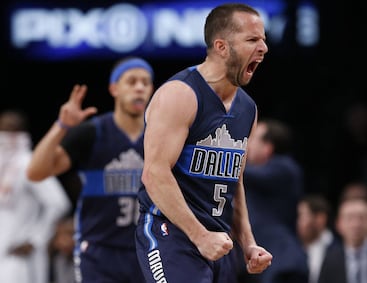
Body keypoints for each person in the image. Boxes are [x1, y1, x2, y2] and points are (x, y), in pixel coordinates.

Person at [135, 3, 272, 283]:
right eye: (252, 40)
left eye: (264, 39)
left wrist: (248, 242)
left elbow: (236, 182)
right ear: (221, 47)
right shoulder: (180, 94)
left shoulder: (248, 109)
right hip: (171, 234)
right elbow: (154, 174)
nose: (263, 48)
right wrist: (199, 236)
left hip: (218, 240)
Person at [26, 57, 155, 283]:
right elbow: (35, 172)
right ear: (114, 88)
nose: (139, 88)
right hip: (99, 251)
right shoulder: (92, 132)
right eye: (132, 81)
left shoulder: (160, 135)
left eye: (146, 82)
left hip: (150, 248)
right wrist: (61, 126)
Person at [0, 109, 71, 283]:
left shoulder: (28, 163)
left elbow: (59, 203)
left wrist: (36, 238)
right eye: (5, 130)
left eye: (13, 130)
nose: (8, 136)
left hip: (18, 257)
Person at [238, 118, 308, 283]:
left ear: (268, 147)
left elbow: (240, 174)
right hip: (259, 265)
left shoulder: (285, 168)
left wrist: (227, 156)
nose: (247, 144)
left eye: (253, 138)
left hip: (283, 264)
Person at [297, 194, 336, 283]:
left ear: (320, 219)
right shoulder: (295, 248)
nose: (299, 222)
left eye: (303, 216)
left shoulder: (337, 248)